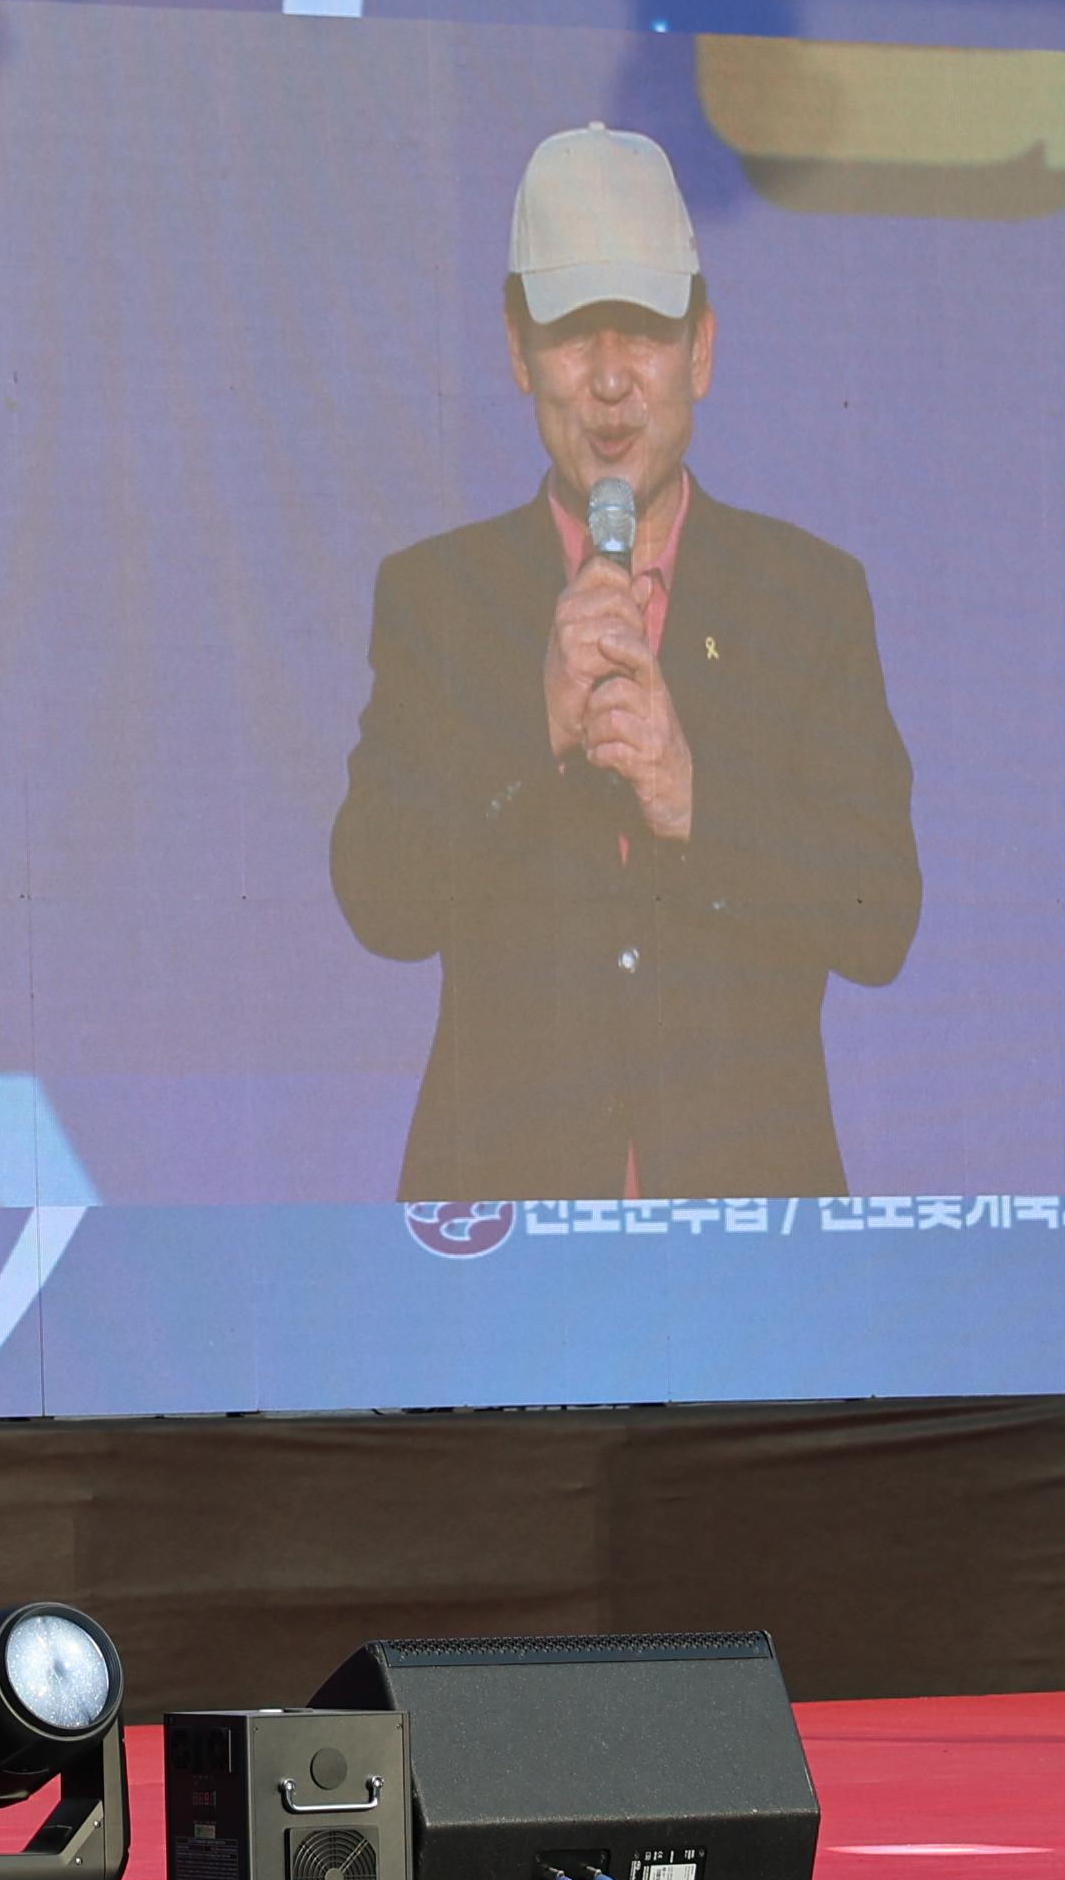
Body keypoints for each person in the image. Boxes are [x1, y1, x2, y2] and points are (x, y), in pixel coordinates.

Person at [328, 124, 920, 1200]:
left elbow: (882, 915)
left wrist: (696, 799)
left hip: (752, 1250)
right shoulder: (438, 598)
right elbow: (379, 896)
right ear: (516, 349)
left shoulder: (808, 596)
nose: (609, 381)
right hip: (506, 1255)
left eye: (642, 332)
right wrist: (533, 726)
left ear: (701, 347)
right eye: (570, 334)